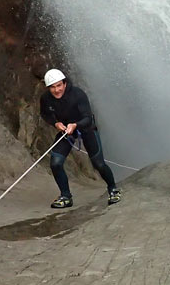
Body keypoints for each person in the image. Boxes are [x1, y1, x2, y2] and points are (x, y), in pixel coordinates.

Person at [39, 68, 121, 208]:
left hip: (85, 128)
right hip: (66, 130)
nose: (56, 90)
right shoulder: (46, 98)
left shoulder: (77, 94)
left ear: (64, 84)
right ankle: (66, 196)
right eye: (52, 87)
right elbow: (45, 114)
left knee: (98, 164)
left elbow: (87, 118)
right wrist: (55, 123)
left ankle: (113, 189)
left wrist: (75, 125)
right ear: (48, 88)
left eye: (59, 85)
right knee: (56, 163)